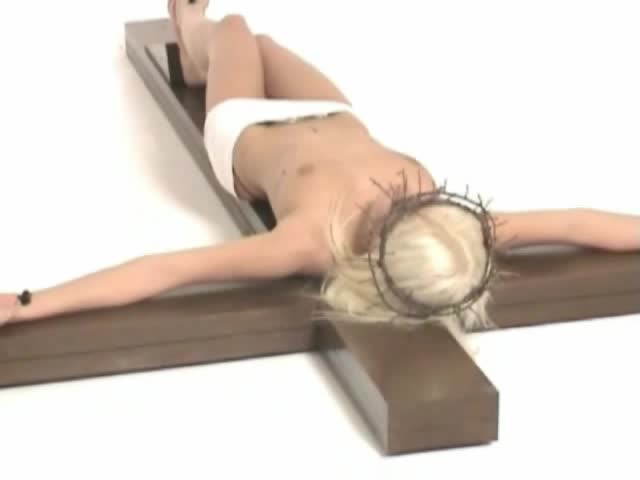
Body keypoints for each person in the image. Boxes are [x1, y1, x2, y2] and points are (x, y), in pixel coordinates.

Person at [1, 0, 639, 336]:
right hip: (331, 111)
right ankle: (205, 52)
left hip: (245, 128)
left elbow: (168, 270)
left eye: (400, 209)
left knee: (235, 27)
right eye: (422, 199)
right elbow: (578, 222)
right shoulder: (455, 230)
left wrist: (30, 304)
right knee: (266, 43)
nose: (405, 192)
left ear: (380, 251)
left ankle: (194, 43)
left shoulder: (308, 242)